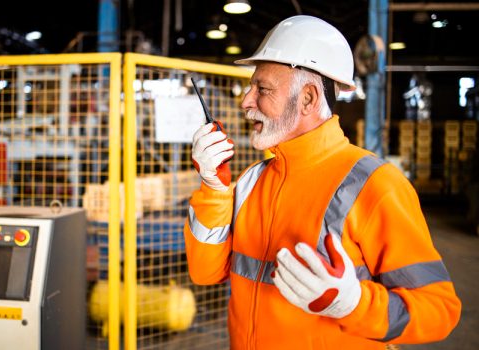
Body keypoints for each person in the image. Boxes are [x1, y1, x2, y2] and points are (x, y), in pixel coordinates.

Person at [184, 15, 461, 349]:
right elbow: (205, 274)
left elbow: (439, 310)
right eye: (251, 87)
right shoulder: (251, 182)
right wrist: (213, 190)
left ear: (308, 99)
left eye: (263, 89)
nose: (246, 101)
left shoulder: (375, 185)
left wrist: (354, 304)